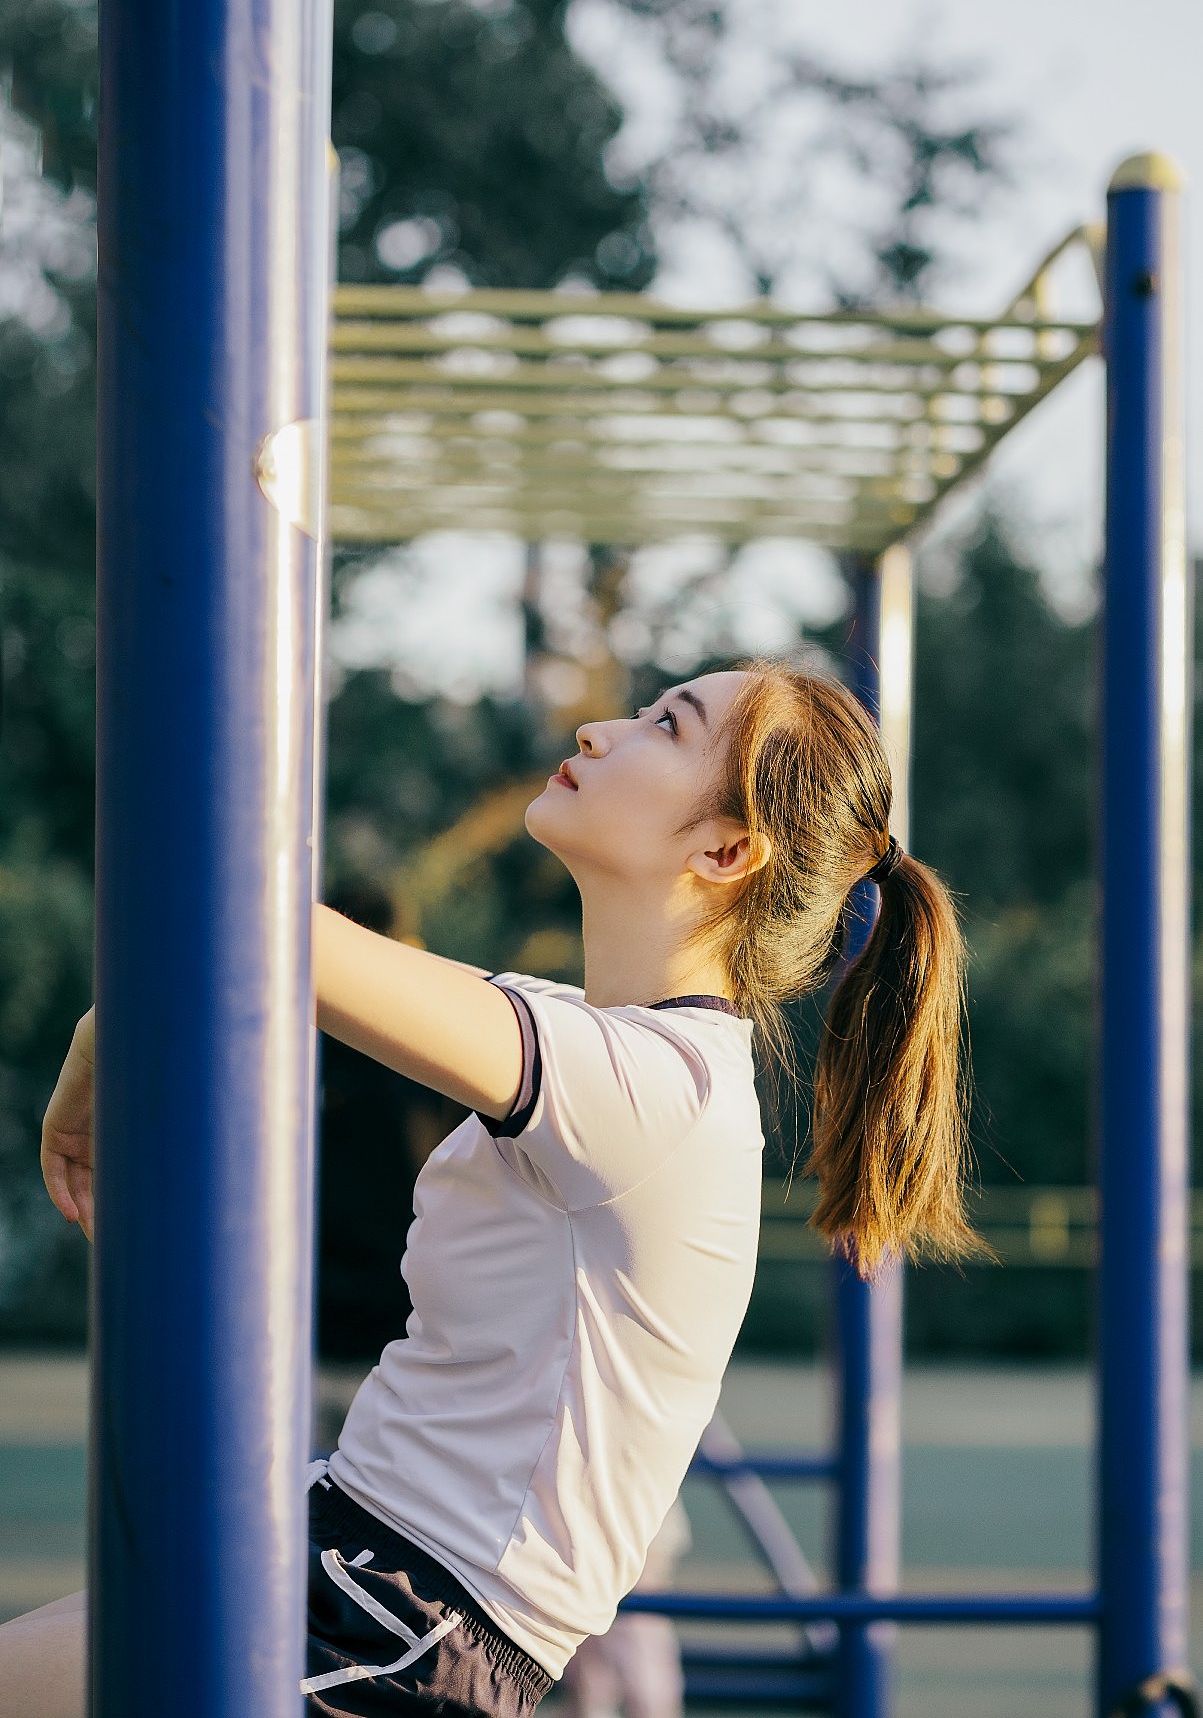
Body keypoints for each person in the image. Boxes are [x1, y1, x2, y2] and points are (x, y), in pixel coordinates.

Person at [3, 661, 976, 1718]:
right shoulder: (600, 1046)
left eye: (665, 725)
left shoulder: (658, 1087)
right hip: (347, 1546)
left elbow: (261, 919)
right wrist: (121, 1027)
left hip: (407, 1624)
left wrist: (107, 1032)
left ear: (727, 850)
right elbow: (267, 954)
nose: (602, 729)